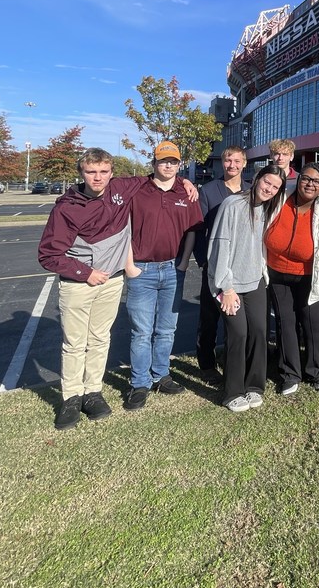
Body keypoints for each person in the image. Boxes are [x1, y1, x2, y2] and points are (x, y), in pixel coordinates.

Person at [37, 149, 151, 430]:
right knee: (75, 344)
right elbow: (48, 255)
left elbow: (155, 177)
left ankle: (92, 392)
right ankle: (71, 398)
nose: (98, 177)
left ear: (112, 172)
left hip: (112, 283)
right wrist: (85, 273)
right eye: (91, 172)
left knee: (100, 339)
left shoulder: (122, 188)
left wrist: (184, 182)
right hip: (79, 286)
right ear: (82, 173)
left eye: (103, 171)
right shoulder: (67, 207)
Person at [123, 141, 203, 410]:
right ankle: (139, 383)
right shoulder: (137, 190)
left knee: (166, 330)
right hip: (141, 270)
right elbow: (123, 228)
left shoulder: (187, 192)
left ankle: (161, 375)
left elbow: (193, 229)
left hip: (173, 269)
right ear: (154, 163)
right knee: (142, 331)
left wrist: (183, 263)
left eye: (173, 162)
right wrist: (129, 264)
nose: (168, 165)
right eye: (163, 161)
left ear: (180, 164)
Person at [207, 165, 287, 412]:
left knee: (260, 331)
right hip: (230, 284)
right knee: (238, 333)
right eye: (267, 183)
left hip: (256, 282)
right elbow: (220, 245)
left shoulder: (268, 208)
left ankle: (254, 386)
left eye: (275, 187)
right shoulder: (233, 204)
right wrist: (226, 288)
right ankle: (232, 391)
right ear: (258, 179)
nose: (270, 189)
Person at [265, 163, 319, 395]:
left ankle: (316, 371)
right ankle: (289, 374)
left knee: (315, 324)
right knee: (286, 323)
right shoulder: (280, 201)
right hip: (278, 272)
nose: (310, 184)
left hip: (312, 276)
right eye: (306, 179)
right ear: (298, 180)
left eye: (316, 181)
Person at [193, 145, 247, 386]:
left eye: (236, 161)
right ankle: (206, 364)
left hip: (242, 266)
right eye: (228, 161)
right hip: (215, 266)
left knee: (235, 318)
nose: (231, 165)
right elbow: (199, 228)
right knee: (209, 318)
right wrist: (204, 260)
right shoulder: (209, 190)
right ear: (222, 163)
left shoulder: (251, 189)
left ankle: (231, 360)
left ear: (244, 163)